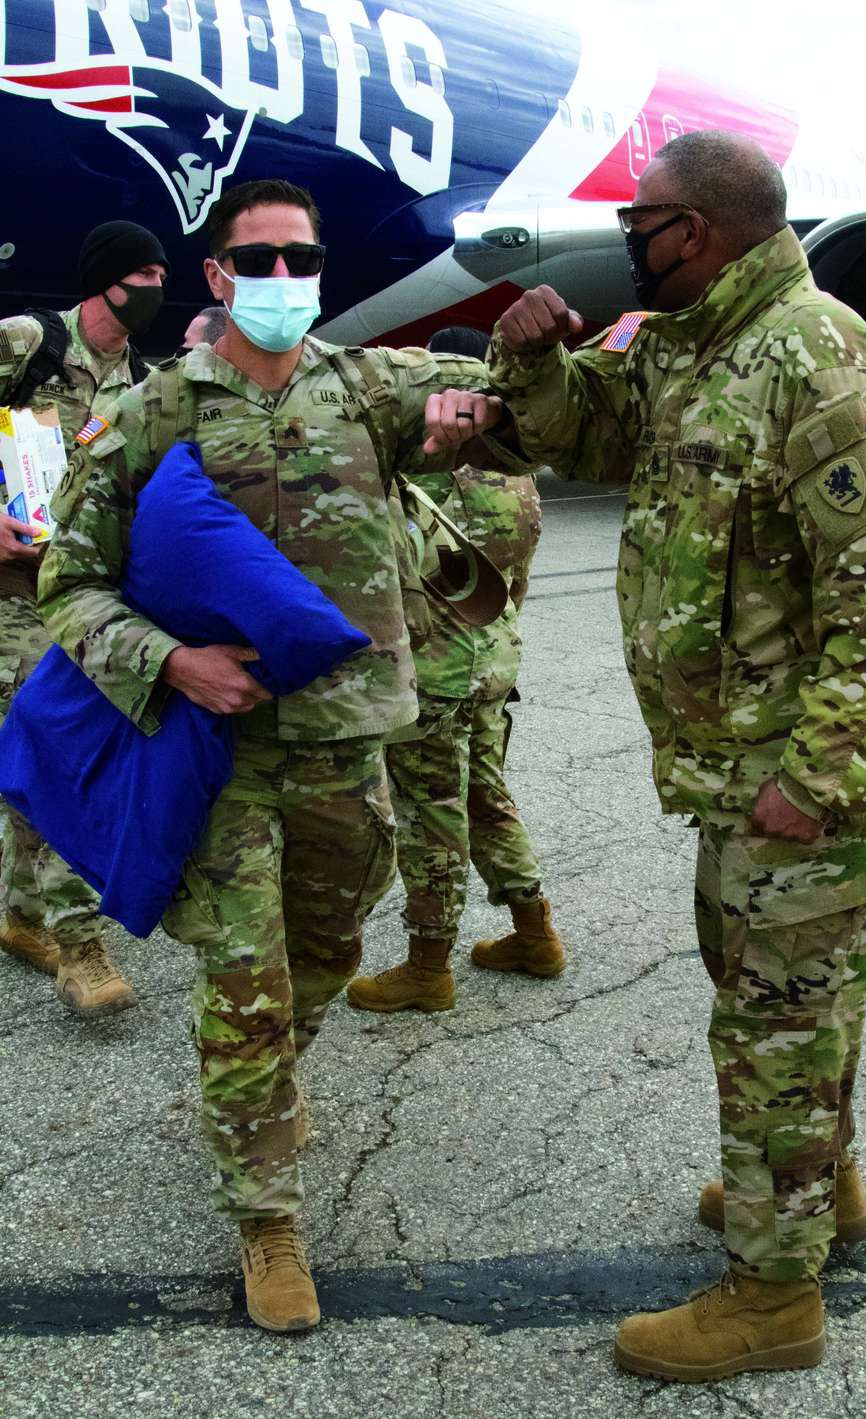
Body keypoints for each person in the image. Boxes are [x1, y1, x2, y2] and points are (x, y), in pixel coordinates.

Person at [428, 130, 866, 1381]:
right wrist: (532, 354)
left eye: (639, 225)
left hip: (803, 787)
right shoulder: (696, 348)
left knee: (774, 1030)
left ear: (700, 232)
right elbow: (596, 440)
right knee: (782, 1006)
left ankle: (774, 1301)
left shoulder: (814, 362)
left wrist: (811, 785)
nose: (625, 242)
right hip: (740, 773)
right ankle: (818, 1191)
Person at [37, 179, 523, 1334]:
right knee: (246, 980)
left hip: (351, 749)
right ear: (218, 277)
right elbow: (69, 578)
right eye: (257, 262)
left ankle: (248, 1090)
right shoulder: (159, 409)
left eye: (299, 259)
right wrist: (172, 663)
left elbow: (503, 406)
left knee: (321, 958)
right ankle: (267, 1215)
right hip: (232, 753)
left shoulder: (368, 385)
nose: (281, 280)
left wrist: (495, 389)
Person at [347, 326, 563, 1015]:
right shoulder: (517, 470)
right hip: (494, 658)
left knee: (430, 812)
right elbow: (515, 578)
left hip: (436, 664)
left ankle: (428, 965)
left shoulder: (426, 462)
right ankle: (536, 931)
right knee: (487, 796)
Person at [0, 220, 170, 1016]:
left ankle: (20, 914)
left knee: (44, 754)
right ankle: (79, 947)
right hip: (11, 597)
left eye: (164, 274)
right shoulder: (29, 342)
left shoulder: (140, 383)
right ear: (103, 279)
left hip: (85, 600)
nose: (156, 287)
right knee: (58, 756)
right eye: (142, 272)